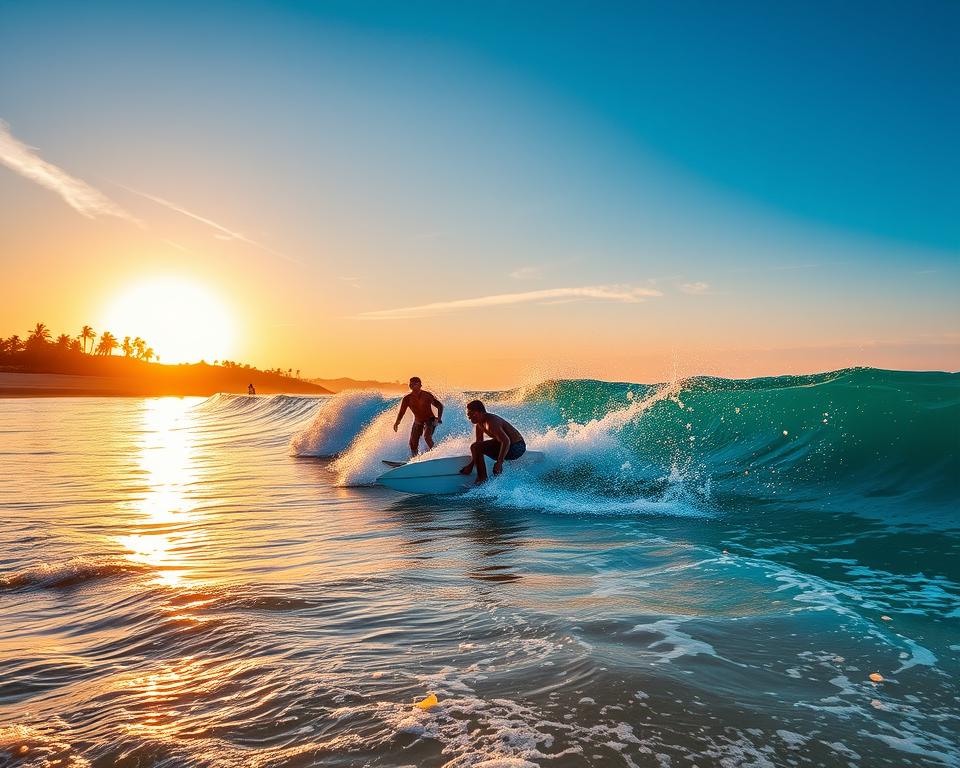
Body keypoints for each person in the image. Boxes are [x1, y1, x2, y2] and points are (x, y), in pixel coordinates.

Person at [459, 399, 525, 484]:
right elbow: (478, 448)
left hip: (517, 447)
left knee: (475, 446)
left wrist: (499, 462)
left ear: (479, 412)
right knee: (475, 446)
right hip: (507, 445)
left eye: (470, 413)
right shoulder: (479, 425)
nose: (468, 415)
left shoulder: (492, 422)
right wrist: (471, 466)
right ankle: (483, 477)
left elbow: (506, 441)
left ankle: (482, 479)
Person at [393, 377, 444, 456]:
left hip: (430, 420)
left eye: (415, 383)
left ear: (420, 385)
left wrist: (439, 418)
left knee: (427, 437)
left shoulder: (427, 395)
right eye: (411, 384)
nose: (412, 385)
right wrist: (397, 422)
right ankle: (414, 460)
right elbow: (402, 412)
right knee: (412, 443)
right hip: (418, 421)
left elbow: (439, 406)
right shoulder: (407, 399)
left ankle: (437, 455)